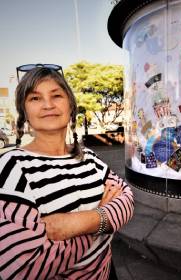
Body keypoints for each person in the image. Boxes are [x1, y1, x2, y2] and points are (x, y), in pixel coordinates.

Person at [0, 67, 134, 279]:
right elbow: (23, 267)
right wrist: (103, 221)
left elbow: (126, 199)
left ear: (70, 106)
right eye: (35, 98)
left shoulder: (88, 157)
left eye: (56, 95)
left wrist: (81, 222)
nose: (48, 105)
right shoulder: (11, 167)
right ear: (24, 111)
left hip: (108, 271)